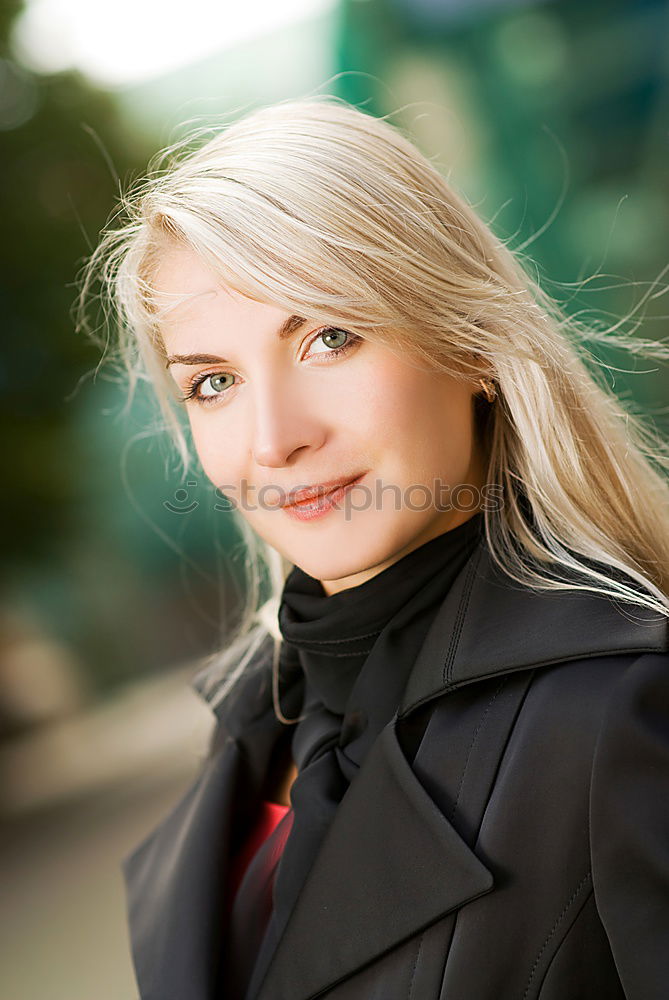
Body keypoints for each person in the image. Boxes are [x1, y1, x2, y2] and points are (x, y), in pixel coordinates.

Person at [79, 97, 669, 1000]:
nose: (274, 437)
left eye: (329, 336)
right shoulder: (255, 722)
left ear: (470, 342)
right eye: (214, 382)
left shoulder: (622, 711)